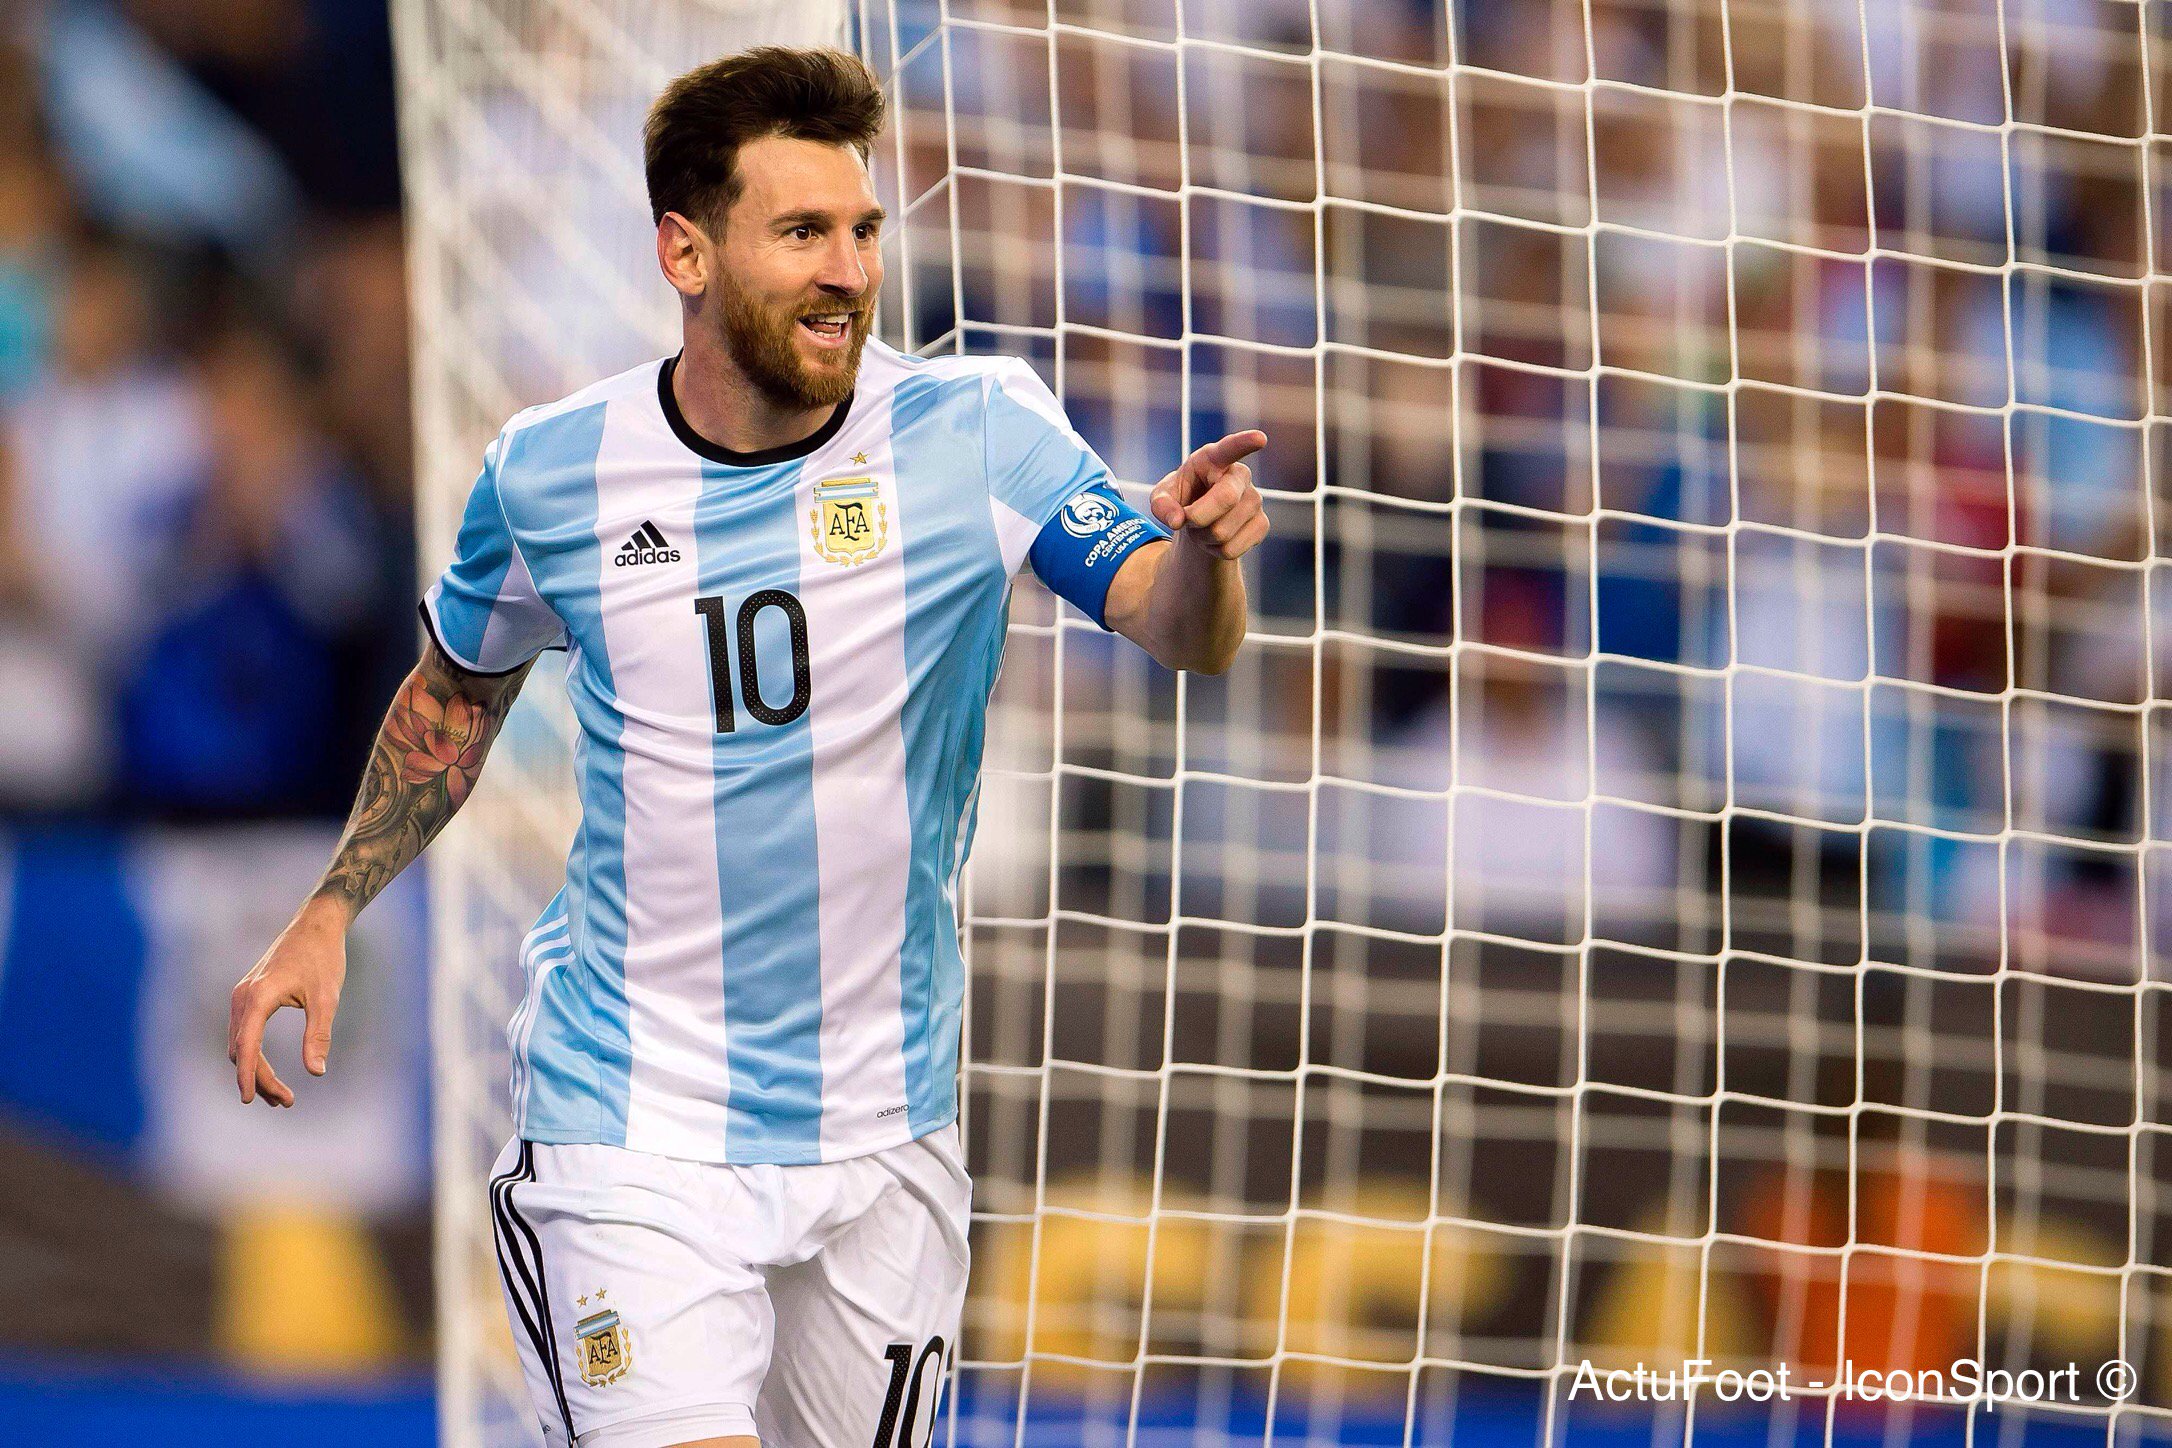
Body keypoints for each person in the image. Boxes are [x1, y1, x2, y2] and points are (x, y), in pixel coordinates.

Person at [225, 46, 1267, 1448]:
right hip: (630, 1123)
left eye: (863, 230)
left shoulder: (978, 431)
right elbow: (457, 696)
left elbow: (1177, 628)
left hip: (884, 1126)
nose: (848, 271)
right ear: (686, 253)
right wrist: (330, 907)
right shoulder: (553, 471)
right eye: (802, 233)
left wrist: (1206, 558)